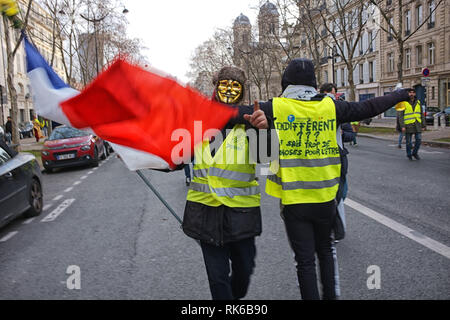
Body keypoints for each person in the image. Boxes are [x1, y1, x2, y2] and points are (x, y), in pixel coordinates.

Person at [238, 58, 410, 300]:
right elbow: (370, 107)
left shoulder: (274, 108)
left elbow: (240, 125)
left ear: (287, 82)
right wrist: (399, 95)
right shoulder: (332, 107)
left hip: (294, 200)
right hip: (326, 199)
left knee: (305, 262)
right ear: (313, 83)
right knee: (327, 252)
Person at [181, 66, 269, 300]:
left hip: (241, 215)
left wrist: (263, 131)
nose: (229, 90)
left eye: (235, 87)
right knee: (218, 279)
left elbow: (266, 158)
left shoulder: (250, 121)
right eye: (225, 85)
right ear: (216, 86)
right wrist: (139, 156)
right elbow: (176, 158)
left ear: (240, 93)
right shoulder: (197, 122)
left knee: (244, 272)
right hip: (205, 214)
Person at [398, 89, 426, 160]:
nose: (411, 94)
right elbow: (400, 116)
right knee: (408, 142)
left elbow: (421, 114)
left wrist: (423, 125)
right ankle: (409, 154)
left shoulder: (418, 102)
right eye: (410, 92)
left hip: (417, 124)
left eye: (413, 92)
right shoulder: (403, 103)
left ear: (415, 94)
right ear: (408, 94)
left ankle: (415, 153)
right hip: (408, 125)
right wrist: (402, 126)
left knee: (419, 140)